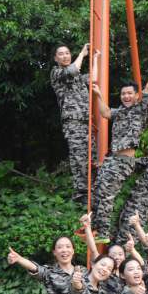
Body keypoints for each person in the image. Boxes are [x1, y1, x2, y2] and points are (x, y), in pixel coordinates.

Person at [89, 52, 148, 242]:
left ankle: (103, 233)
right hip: (112, 158)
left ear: (136, 95)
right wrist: (98, 95)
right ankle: (97, 228)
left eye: (129, 93)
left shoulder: (141, 109)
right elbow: (105, 112)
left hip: (124, 161)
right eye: (123, 93)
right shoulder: (121, 112)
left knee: (106, 193)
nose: (126, 96)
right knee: (98, 191)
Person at [50, 43, 98, 203]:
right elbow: (72, 70)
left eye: (67, 53)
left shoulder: (76, 75)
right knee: (79, 157)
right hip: (73, 121)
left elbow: (93, 78)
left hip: (86, 121)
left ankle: (92, 190)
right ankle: (81, 193)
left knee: (91, 155)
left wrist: (96, 59)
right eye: (61, 54)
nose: (65, 56)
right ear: (56, 58)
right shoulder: (57, 72)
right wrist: (83, 54)